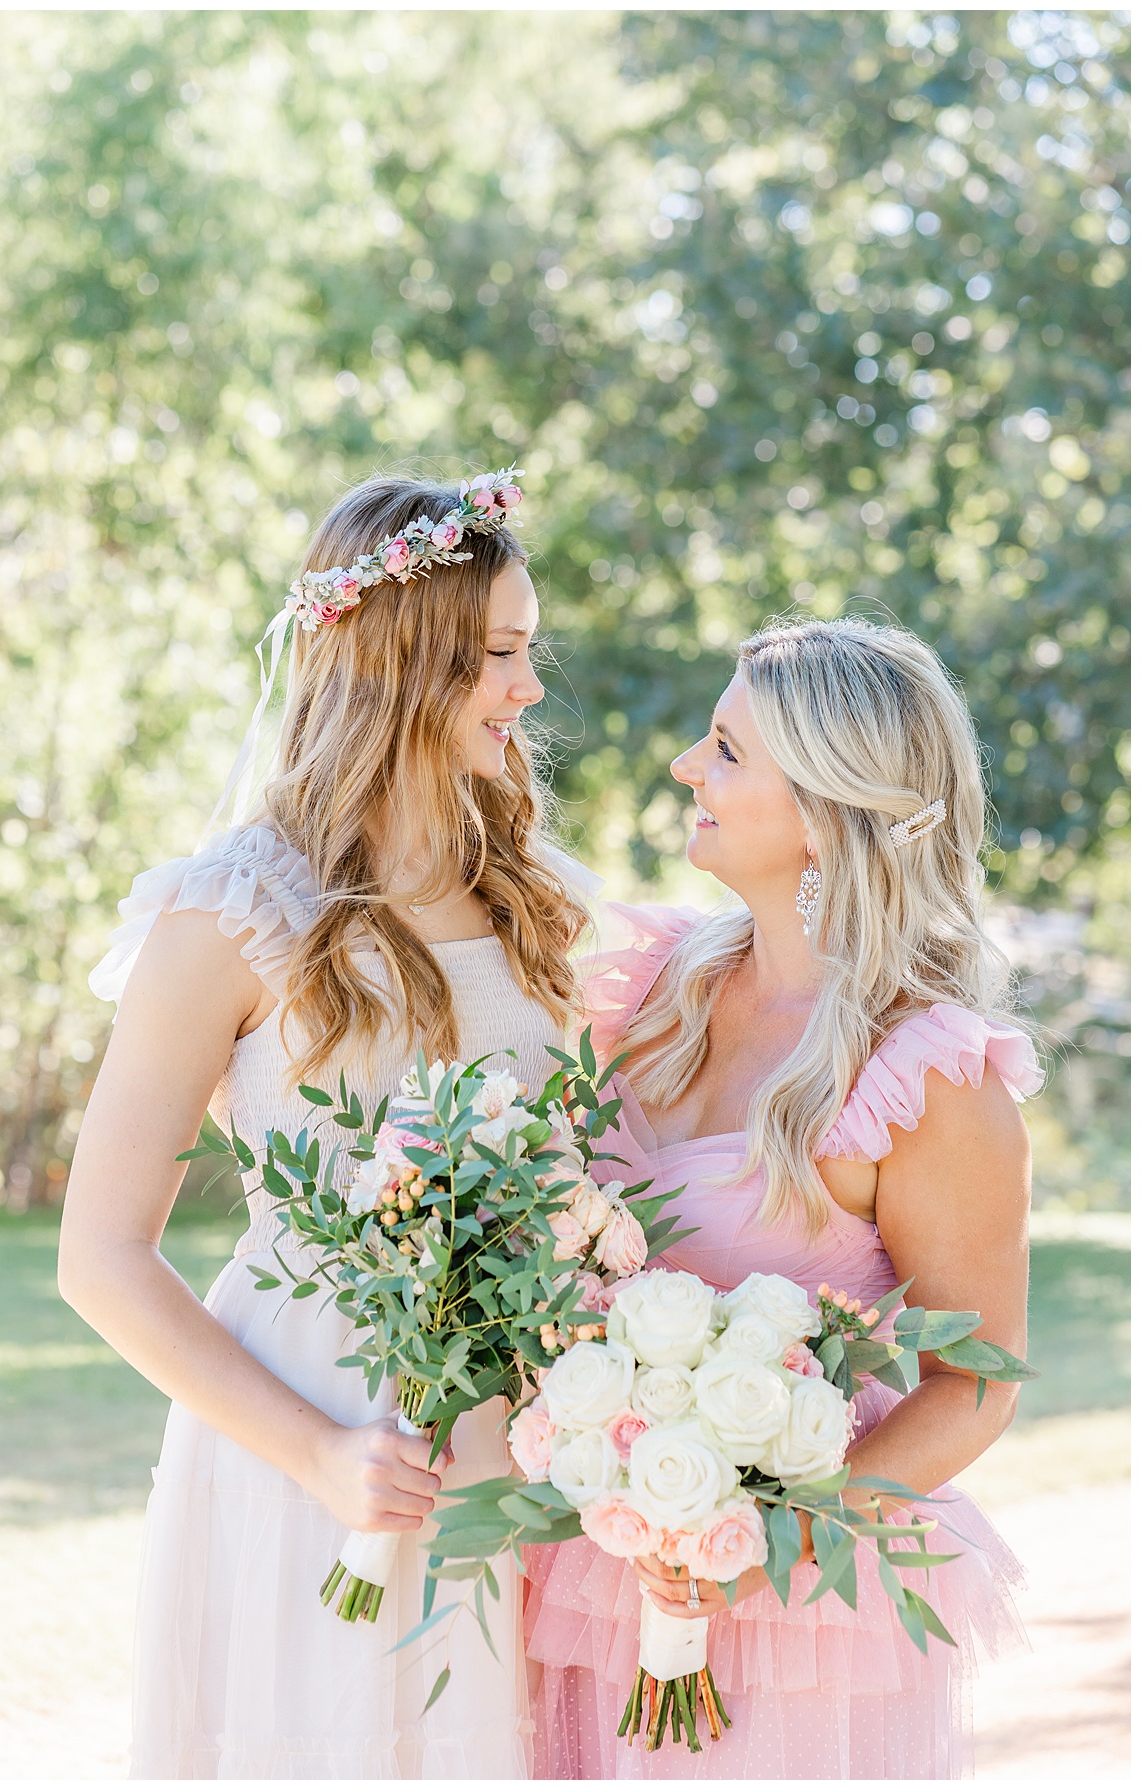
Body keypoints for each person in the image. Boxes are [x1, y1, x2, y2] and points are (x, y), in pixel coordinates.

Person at [58, 470, 595, 1779]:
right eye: (500, 654)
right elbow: (99, 1257)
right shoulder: (233, 909)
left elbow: (584, 1175)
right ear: (401, 659)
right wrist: (318, 1452)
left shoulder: (537, 902)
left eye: (529, 651)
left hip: (513, 1432)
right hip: (309, 1431)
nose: (528, 689)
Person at [523, 615, 1042, 1780]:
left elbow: (977, 1377)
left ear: (822, 811)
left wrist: (765, 1539)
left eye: (726, 748)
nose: (685, 766)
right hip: (593, 1563)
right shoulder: (653, 984)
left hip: (796, 1606)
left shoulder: (926, 1071)